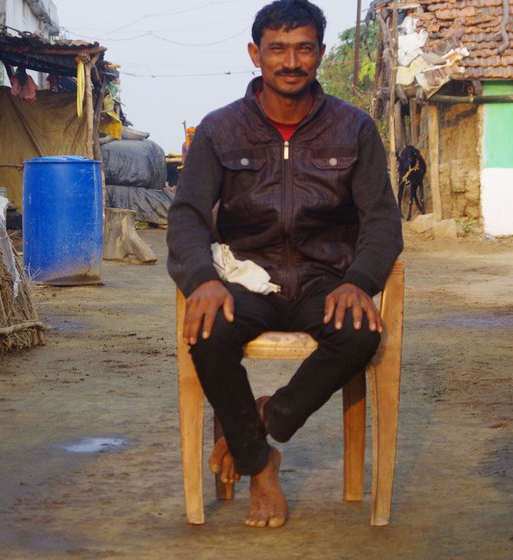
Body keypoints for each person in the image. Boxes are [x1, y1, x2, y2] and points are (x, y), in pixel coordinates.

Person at [166, 0, 403, 528]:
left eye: (303, 48)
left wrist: (360, 282)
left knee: (361, 332)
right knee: (207, 334)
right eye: (277, 49)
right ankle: (260, 463)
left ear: (319, 53)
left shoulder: (354, 127)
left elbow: (383, 221)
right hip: (247, 279)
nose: (290, 61)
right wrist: (203, 279)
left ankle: (271, 416)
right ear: (256, 54)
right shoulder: (219, 129)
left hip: (326, 279)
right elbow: (185, 217)